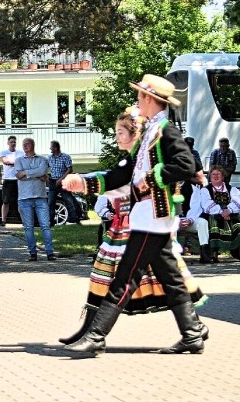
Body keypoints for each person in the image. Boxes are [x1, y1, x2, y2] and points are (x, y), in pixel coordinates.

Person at [62, 74, 204, 355]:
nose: (137, 100)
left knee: (125, 277)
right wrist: (87, 183)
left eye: (140, 95)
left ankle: (97, 336)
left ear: (149, 99)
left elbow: (186, 165)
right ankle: (192, 333)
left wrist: (150, 180)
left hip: (152, 218)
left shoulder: (165, 131)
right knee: (172, 279)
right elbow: (124, 174)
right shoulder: (151, 131)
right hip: (149, 219)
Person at [15, 138, 55, 261]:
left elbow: (42, 171)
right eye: (23, 144)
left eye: (27, 144)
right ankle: (32, 253)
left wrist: (26, 173)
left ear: (33, 145)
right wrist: (37, 175)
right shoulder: (19, 160)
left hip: (40, 197)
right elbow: (18, 175)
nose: (25, 146)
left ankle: (50, 253)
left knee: (45, 226)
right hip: (24, 198)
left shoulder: (42, 159)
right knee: (28, 227)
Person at [196, 165, 240, 263]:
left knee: (238, 225)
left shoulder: (231, 189)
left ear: (223, 176)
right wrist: (221, 212)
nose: (216, 176)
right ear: (210, 176)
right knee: (213, 224)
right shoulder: (205, 190)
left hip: (230, 215)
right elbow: (206, 204)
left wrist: (229, 210)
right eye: (213, 174)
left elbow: (238, 201)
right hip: (213, 215)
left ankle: (237, 251)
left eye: (218, 174)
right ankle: (213, 254)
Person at [47, 140, 82, 225]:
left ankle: (74, 219)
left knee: (69, 200)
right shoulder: (50, 158)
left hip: (64, 182)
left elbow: (70, 169)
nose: (50, 148)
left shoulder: (65, 157)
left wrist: (61, 179)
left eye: (51, 147)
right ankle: (51, 221)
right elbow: (45, 167)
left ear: (55, 148)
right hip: (53, 182)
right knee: (50, 202)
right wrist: (46, 176)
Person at [0, 135, 24, 226]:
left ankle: (23, 220)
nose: (13, 143)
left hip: (18, 180)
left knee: (20, 200)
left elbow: (24, 163)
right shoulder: (3, 152)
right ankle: (3, 220)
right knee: (5, 201)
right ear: (8, 143)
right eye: (11, 142)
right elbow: (6, 162)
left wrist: (14, 163)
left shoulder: (21, 153)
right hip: (8, 180)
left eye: (14, 142)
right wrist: (17, 163)